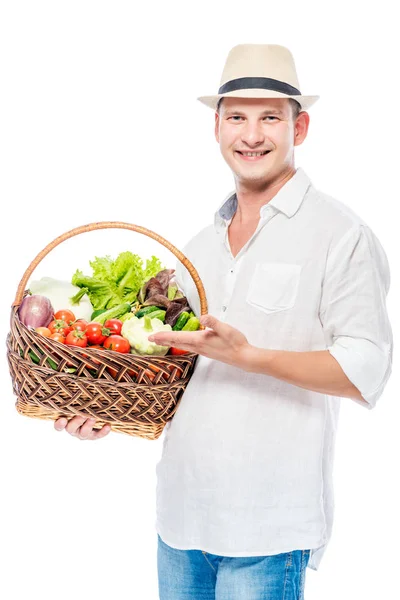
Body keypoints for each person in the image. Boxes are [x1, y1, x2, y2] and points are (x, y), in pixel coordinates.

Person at [55, 44, 393, 599]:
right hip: (182, 521)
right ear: (216, 128)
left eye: (270, 118)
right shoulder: (197, 251)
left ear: (299, 127)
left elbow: (367, 367)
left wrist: (250, 357)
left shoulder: (340, 234)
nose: (252, 135)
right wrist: (104, 411)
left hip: (268, 529)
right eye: (237, 116)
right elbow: (170, 376)